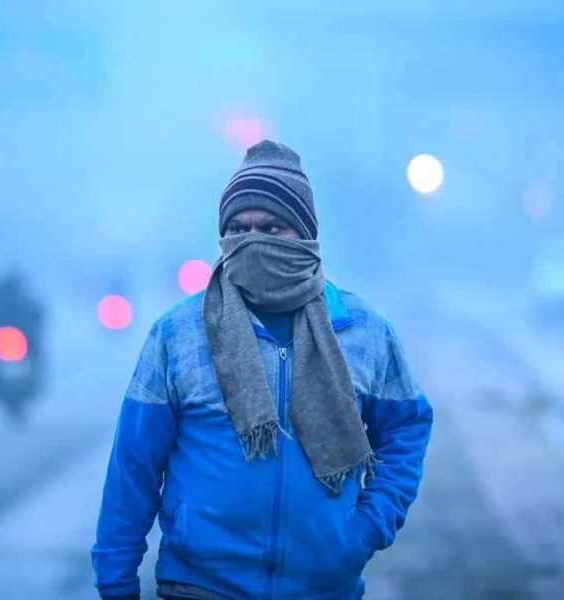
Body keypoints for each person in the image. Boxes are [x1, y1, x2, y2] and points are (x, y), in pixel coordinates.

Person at [91, 141, 434, 600]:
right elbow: (133, 464)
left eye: (271, 227)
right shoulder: (178, 333)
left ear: (304, 233)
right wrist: (116, 580)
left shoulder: (363, 330)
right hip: (199, 587)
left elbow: (407, 428)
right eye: (238, 228)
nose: (251, 241)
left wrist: (366, 528)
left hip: (323, 589)